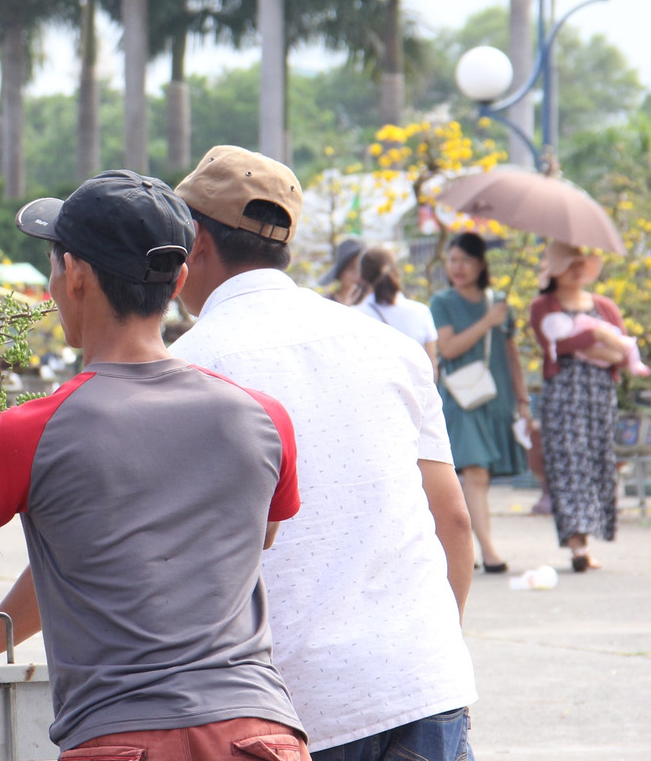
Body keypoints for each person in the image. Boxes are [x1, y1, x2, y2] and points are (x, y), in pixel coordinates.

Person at [0, 169, 309, 761]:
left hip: (123, 740)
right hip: (260, 735)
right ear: (179, 279)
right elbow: (260, 535)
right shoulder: (263, 416)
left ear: (73, 274)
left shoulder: (31, 432)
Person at [166, 146, 476, 761]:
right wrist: (428, 655)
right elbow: (454, 521)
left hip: (287, 706)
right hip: (422, 681)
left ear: (195, 239)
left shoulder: (186, 369)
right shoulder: (392, 348)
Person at [429, 233, 530, 574]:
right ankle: (486, 549)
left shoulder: (499, 302)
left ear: (481, 263)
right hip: (461, 398)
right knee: (475, 472)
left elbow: (511, 355)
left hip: (495, 396)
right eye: (452, 259)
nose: (457, 267)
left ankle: (463, 548)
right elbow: (449, 348)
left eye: (465, 260)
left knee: (478, 475)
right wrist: (487, 321)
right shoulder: (442, 302)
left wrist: (522, 400)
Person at [529, 241, 630, 572]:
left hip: (599, 397)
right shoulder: (544, 306)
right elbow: (556, 345)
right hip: (563, 397)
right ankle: (577, 547)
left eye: (581, 263)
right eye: (569, 263)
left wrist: (594, 343)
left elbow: (624, 353)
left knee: (597, 462)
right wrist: (596, 339)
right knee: (567, 464)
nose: (577, 269)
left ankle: (590, 534)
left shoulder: (604, 306)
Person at [356, 244, 439, 374]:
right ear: (397, 272)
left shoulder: (353, 315)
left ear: (361, 278)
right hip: (414, 393)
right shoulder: (421, 312)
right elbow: (432, 367)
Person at [319, 237, 364, 305]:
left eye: (361, 268)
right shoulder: (326, 303)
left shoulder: (367, 303)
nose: (357, 273)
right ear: (340, 271)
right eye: (350, 268)